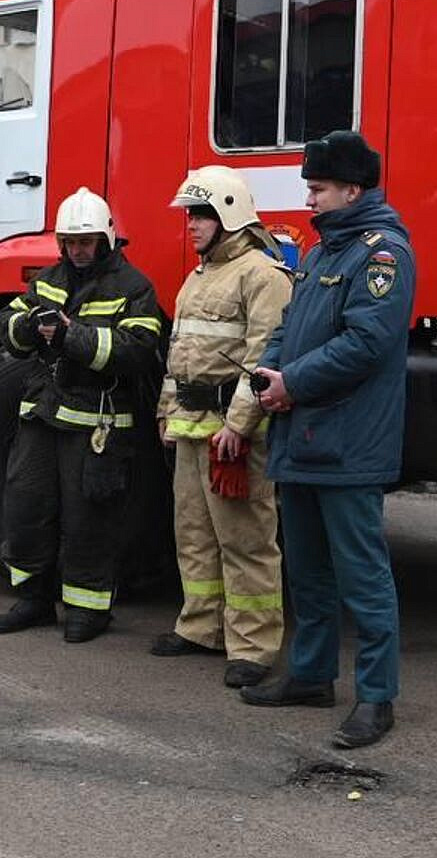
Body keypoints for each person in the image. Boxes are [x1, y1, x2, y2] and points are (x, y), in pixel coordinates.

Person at [240, 131, 415, 751]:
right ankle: (312, 676)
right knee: (308, 571)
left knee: (363, 576)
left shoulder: (382, 253)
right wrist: (269, 370)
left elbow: (368, 343)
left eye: (316, 188)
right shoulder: (321, 253)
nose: (308, 198)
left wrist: (293, 383)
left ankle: (376, 698)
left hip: (347, 442)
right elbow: (290, 324)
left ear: (352, 189)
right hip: (305, 433)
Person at [0, 187, 165, 643]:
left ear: (105, 239)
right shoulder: (48, 279)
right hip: (42, 417)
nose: (78, 250)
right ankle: (33, 599)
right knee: (26, 506)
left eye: (85, 242)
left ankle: (89, 609)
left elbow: (138, 352)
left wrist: (71, 336)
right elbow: (8, 328)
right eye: (69, 242)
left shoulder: (134, 287)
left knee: (90, 519)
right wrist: (28, 326)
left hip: (96, 423)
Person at [152, 166, 292, 688]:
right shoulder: (199, 276)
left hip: (232, 434)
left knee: (246, 538)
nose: (190, 225)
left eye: (200, 215)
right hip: (192, 425)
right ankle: (200, 627)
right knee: (193, 534)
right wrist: (168, 410)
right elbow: (179, 353)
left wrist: (238, 425)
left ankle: (253, 646)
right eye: (189, 214)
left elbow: (261, 359)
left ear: (228, 216)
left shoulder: (263, 275)